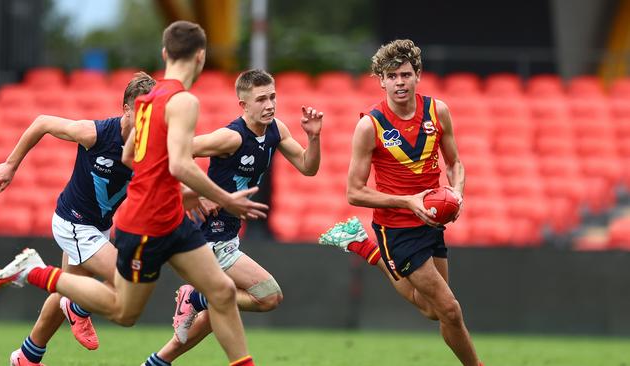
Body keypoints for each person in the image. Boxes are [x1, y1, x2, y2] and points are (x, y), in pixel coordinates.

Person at [0, 20, 267, 366]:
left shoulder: (150, 100)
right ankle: (34, 272)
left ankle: (29, 355)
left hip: (159, 217)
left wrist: (179, 192)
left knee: (221, 292)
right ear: (201, 57)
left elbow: (132, 158)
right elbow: (177, 164)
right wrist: (222, 198)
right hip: (135, 221)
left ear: (165, 53)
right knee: (121, 307)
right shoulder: (181, 102)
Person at [140, 68, 323, 366]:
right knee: (268, 295)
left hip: (227, 234)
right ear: (243, 105)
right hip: (208, 235)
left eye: (272, 97)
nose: (269, 105)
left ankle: (158, 361)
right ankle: (195, 298)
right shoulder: (231, 137)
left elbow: (308, 167)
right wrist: (192, 192)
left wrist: (313, 137)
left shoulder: (276, 129)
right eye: (261, 99)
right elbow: (174, 153)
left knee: (220, 308)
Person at [317, 39, 483, 366]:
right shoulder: (370, 125)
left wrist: (457, 191)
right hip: (397, 228)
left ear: (417, 75)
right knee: (450, 309)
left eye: (405, 74)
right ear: (381, 80)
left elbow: (455, 163)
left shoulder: (438, 111)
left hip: (432, 221)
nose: (399, 82)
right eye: (391, 76)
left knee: (433, 311)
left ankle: (365, 248)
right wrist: (409, 202)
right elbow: (354, 192)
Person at [0, 72, 156, 366]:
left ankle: (27, 356)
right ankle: (72, 302)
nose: (147, 120)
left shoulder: (148, 147)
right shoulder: (97, 133)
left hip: (98, 228)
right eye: (141, 111)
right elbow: (42, 122)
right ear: (126, 108)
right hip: (74, 224)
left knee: (68, 286)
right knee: (124, 281)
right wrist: (10, 165)